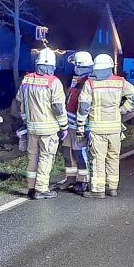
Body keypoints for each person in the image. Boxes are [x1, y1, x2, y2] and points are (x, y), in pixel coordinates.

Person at [76, 54, 134, 199]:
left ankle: (98, 189)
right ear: (110, 66)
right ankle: (112, 187)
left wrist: (80, 126)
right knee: (113, 157)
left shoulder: (90, 84)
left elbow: (84, 107)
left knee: (98, 158)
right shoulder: (120, 82)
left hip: (97, 128)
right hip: (115, 128)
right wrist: (122, 110)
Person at [14, 48, 68, 200]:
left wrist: (25, 119)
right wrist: (63, 126)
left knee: (32, 157)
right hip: (48, 128)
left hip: (31, 127)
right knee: (46, 157)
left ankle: (31, 188)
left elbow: (20, 102)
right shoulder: (54, 82)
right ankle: (42, 189)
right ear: (52, 65)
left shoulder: (27, 79)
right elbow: (58, 107)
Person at [57, 51, 94, 194]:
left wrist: (82, 126)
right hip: (69, 124)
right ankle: (71, 178)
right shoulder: (77, 80)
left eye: (76, 65)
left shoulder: (89, 82)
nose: (74, 68)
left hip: (80, 126)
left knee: (79, 153)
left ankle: (83, 180)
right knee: (67, 152)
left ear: (81, 66)